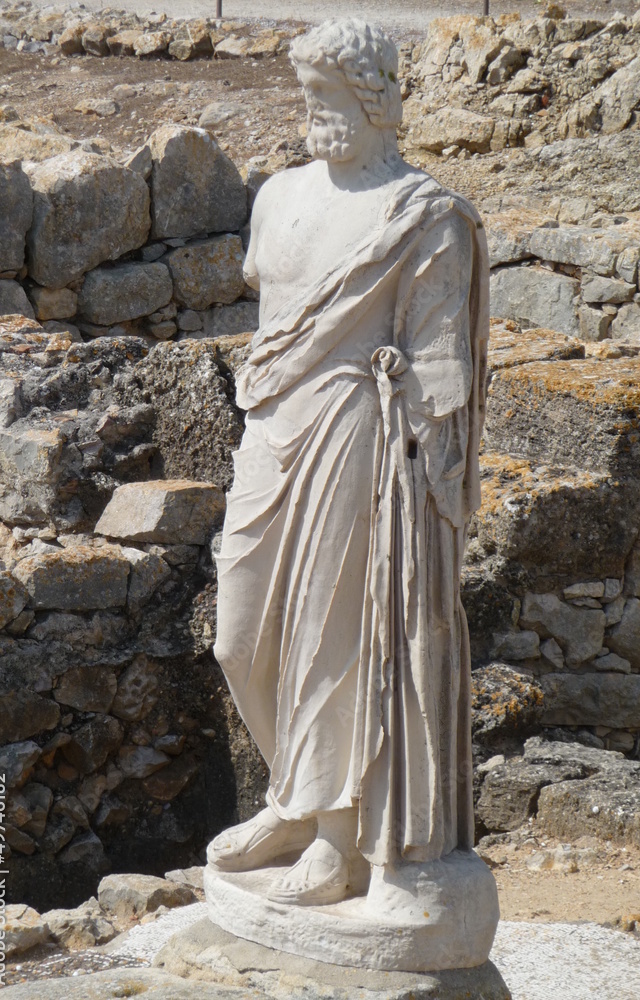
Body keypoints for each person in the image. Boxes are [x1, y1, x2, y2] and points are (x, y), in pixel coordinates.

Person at [208, 18, 490, 908]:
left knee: (334, 638)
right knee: (240, 637)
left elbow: (444, 367)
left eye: (327, 94)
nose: (311, 110)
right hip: (271, 425)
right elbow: (274, 308)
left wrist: (422, 456)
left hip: (357, 434)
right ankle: (294, 796)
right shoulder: (279, 195)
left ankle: (335, 838)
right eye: (306, 92)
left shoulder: (424, 217)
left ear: (373, 98)